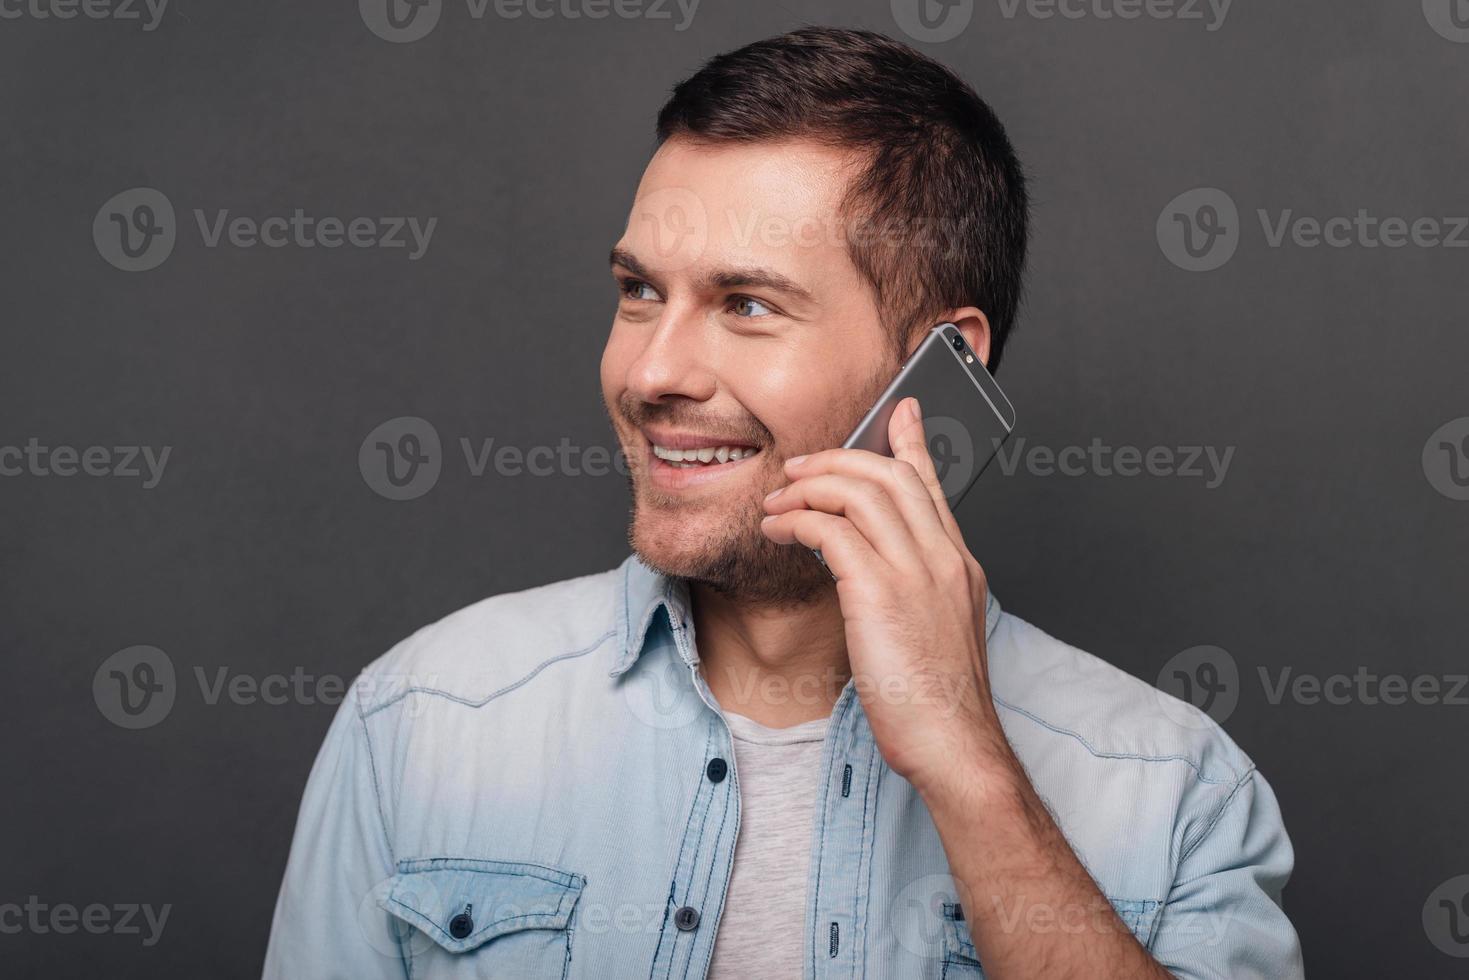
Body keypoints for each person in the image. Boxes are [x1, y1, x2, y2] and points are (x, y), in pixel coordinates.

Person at [264, 26, 1302, 979]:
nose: (650, 371)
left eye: (746, 304)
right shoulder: (421, 720)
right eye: (639, 291)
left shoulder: (1176, 793)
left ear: (941, 363)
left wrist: (968, 765)